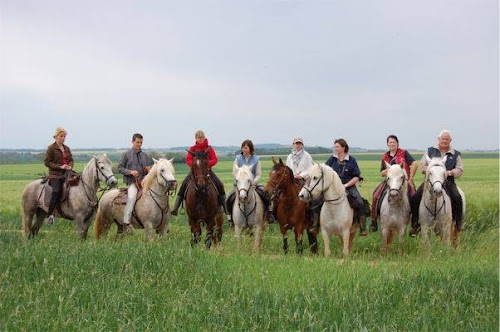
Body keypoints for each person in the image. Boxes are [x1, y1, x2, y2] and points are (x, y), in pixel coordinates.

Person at [409, 129, 464, 236]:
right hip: (430, 181)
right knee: (415, 197)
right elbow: (423, 166)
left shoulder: (456, 154)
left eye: (447, 139)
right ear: (439, 139)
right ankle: (415, 225)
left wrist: (449, 173)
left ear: (450, 140)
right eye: (443, 139)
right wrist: (428, 170)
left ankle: (458, 223)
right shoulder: (429, 151)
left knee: (457, 197)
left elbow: (460, 169)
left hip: (448, 182)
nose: (444, 141)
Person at [171, 130, 226, 216]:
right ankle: (175, 208)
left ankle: (225, 208)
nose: (200, 139)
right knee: (183, 185)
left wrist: (206, 165)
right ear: (195, 138)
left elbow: (215, 159)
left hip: (207, 172)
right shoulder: (192, 149)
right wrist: (194, 165)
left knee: (219, 185)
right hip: (194, 172)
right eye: (198, 137)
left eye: (201, 137)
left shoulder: (209, 148)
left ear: (204, 138)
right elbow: (188, 160)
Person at [370, 135, 418, 232]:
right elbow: (382, 173)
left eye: (394, 142)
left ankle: (415, 224)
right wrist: (389, 169)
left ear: (397, 143)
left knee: (415, 197)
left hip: (403, 181)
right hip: (390, 182)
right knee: (375, 196)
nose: (392, 144)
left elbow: (415, 164)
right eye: (390, 142)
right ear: (387, 144)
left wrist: (411, 178)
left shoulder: (404, 153)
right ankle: (374, 221)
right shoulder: (385, 156)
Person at [226, 139, 274, 225]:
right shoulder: (237, 159)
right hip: (240, 185)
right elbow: (234, 172)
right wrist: (240, 181)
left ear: (250, 149)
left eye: (246, 148)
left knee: (266, 194)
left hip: (253, 184)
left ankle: (269, 214)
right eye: (243, 148)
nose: (243, 150)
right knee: (228, 197)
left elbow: (258, 174)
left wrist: (253, 182)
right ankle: (230, 218)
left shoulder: (256, 159)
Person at [325, 138, 368, 236]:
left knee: (360, 202)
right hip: (333, 188)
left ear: (343, 148)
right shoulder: (332, 159)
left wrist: (346, 185)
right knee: (318, 200)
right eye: (335, 146)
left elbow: (357, 177)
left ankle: (362, 228)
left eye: (337, 146)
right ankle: (317, 224)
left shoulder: (352, 160)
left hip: (348, 186)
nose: (335, 148)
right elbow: (325, 171)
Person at [117, 133, 151, 232]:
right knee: (131, 198)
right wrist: (130, 172)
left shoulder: (145, 155)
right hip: (133, 183)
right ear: (132, 142)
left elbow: (147, 170)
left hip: (144, 182)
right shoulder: (126, 154)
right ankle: (126, 223)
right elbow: (119, 168)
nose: (139, 144)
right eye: (137, 142)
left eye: (141, 142)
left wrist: (149, 170)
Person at [44, 127, 74, 225]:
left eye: (64, 136)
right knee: (56, 191)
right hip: (55, 175)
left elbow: (71, 160)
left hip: (67, 173)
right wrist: (60, 167)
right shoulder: (51, 148)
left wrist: (69, 166)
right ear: (56, 136)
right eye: (61, 136)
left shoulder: (67, 148)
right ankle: (49, 215)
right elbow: (47, 162)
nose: (63, 138)